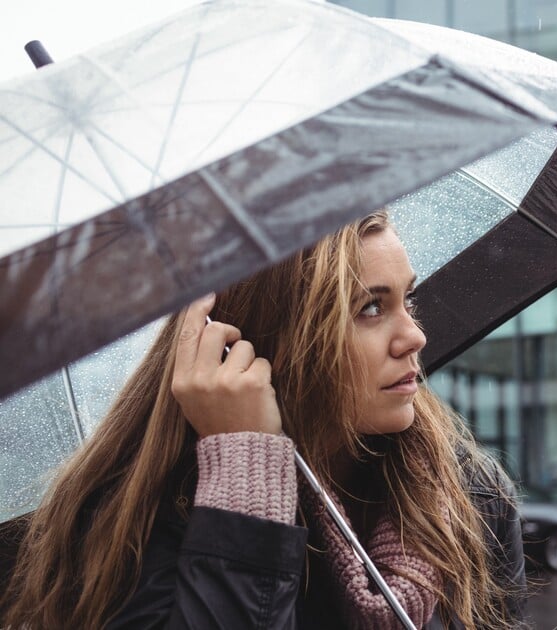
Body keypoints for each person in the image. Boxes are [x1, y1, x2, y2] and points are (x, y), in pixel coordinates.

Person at [1, 210, 527, 629]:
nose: (414, 336)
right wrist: (244, 478)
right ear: (265, 343)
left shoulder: (470, 496)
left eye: (407, 299)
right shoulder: (131, 527)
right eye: (370, 308)